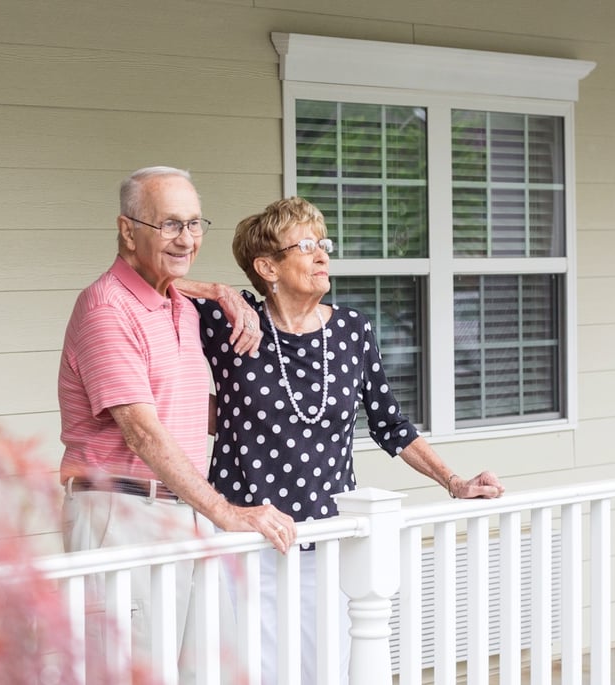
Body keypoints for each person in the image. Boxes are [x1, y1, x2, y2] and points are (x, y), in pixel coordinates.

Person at [187, 196, 505, 685]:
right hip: (246, 537)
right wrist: (218, 292)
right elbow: (150, 287)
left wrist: (454, 481)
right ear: (267, 267)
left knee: (327, 672)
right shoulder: (231, 322)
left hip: (328, 535)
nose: (322, 255)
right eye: (305, 246)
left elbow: (390, 425)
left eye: (324, 244)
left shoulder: (352, 330)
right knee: (257, 673)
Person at [57, 166, 297, 681]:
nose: (186, 239)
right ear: (127, 231)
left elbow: (180, 404)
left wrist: (281, 423)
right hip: (123, 512)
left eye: (193, 223)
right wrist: (226, 511)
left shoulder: (180, 305)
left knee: (208, 672)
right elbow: (142, 431)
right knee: (134, 673)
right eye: (169, 224)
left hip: (184, 508)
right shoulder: (105, 309)